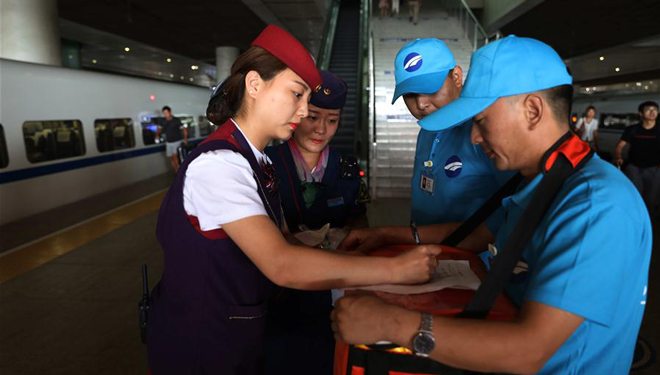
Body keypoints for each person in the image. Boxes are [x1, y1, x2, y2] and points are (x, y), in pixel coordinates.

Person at [333, 36, 651, 374]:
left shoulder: (595, 206)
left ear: (532, 110)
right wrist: (386, 234)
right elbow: (474, 235)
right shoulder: (536, 180)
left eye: (482, 120)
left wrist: (395, 324)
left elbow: (529, 350)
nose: (474, 137)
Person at [146, 25, 440, 375]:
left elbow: (285, 241)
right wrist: (395, 269)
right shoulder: (218, 166)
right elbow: (281, 262)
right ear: (254, 85)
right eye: (297, 94)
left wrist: (345, 259)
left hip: (238, 338)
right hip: (202, 347)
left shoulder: (257, 161)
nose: (303, 112)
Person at [263, 70, 366, 375]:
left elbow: (361, 221)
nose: (321, 129)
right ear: (298, 114)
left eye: (332, 120)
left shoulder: (348, 168)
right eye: (313, 117)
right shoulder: (266, 162)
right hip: (278, 298)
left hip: (332, 300)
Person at [393, 38, 514, 229]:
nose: (420, 104)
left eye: (429, 89)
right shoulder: (426, 130)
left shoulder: (484, 131)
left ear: (456, 77)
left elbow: (514, 212)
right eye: (410, 94)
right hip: (425, 253)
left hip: (475, 256)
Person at [614, 101, 660, 217]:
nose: (653, 112)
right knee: (635, 196)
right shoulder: (632, 129)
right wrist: (618, 156)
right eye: (649, 110)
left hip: (654, 168)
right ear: (640, 113)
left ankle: (650, 224)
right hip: (634, 168)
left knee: (651, 200)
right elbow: (620, 146)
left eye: (655, 109)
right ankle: (635, 219)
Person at [156, 105, 187, 173]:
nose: (165, 114)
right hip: (168, 142)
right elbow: (159, 129)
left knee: (175, 157)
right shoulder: (163, 121)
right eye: (164, 113)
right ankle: (176, 171)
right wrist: (157, 135)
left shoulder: (176, 120)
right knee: (171, 158)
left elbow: (184, 129)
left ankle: (179, 172)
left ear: (170, 112)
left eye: (166, 113)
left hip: (176, 141)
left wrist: (185, 139)